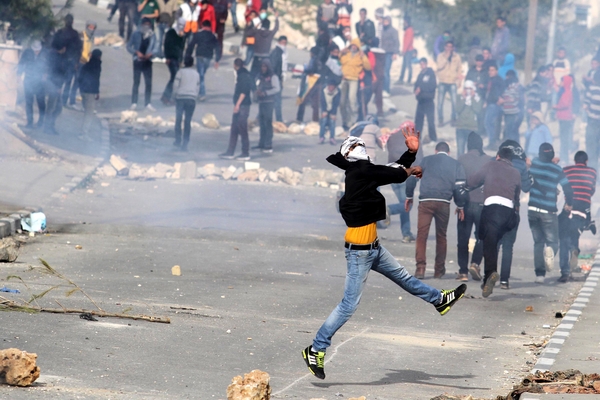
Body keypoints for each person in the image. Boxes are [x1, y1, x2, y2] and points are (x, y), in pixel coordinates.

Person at [302, 131, 467, 381]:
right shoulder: (359, 171)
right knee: (348, 305)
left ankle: (439, 300)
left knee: (404, 277)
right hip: (360, 251)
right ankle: (316, 348)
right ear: (348, 154)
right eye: (357, 146)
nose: (362, 147)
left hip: (372, 247)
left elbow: (389, 170)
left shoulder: (363, 171)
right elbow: (395, 173)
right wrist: (411, 168)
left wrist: (410, 154)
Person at [405, 141, 467, 279]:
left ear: (435, 151)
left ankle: (420, 269)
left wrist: (409, 196)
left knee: (422, 235)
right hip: (444, 203)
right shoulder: (456, 164)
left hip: (426, 201)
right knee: (441, 236)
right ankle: (439, 270)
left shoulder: (426, 160)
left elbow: (411, 179)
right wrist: (460, 205)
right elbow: (460, 189)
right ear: (449, 153)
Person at [466, 146, 521, 297]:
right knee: (504, 245)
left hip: (492, 209)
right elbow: (517, 196)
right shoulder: (516, 172)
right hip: (509, 213)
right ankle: (500, 280)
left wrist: (465, 184)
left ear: (498, 156)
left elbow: (473, 180)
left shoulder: (491, 165)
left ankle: (489, 275)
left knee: (488, 242)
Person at [528, 143, 574, 284]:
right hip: (548, 211)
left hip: (532, 210)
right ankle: (550, 252)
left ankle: (539, 275)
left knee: (538, 243)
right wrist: (569, 203)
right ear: (552, 154)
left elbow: (533, 168)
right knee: (553, 242)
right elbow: (568, 188)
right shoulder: (557, 170)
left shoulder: (534, 164)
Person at [456, 132, 493, 281]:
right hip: (483, 204)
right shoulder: (489, 160)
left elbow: (458, 184)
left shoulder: (461, 159)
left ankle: (463, 272)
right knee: (481, 237)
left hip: (465, 204)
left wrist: (459, 204)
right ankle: (475, 263)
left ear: (468, 144)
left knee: (463, 238)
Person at [497, 140, 533, 289]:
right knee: (508, 246)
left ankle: (489, 276)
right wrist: (528, 168)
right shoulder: (521, 166)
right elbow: (527, 187)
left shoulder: (495, 163)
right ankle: (504, 281)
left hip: (495, 208)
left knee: (494, 243)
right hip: (513, 209)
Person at [559, 151, 597, 281]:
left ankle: (565, 272)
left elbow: (563, 186)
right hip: (583, 210)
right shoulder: (592, 172)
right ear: (586, 162)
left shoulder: (567, 170)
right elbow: (591, 191)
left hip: (569, 207)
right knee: (575, 232)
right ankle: (574, 249)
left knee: (564, 237)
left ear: (575, 161)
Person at [386, 122, 422, 242]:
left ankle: (406, 234)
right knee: (407, 204)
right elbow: (420, 158)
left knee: (404, 204)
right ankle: (389, 209)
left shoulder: (392, 137)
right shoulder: (414, 138)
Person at [220, 58, 255, 160]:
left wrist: (237, 105)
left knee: (242, 128)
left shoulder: (243, 76)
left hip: (243, 106)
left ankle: (245, 152)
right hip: (242, 105)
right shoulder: (245, 74)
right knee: (234, 128)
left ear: (235, 65)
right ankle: (230, 152)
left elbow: (243, 92)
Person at [339, 38, 371, 130]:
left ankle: (353, 121)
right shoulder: (346, 53)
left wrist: (363, 57)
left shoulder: (360, 56)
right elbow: (339, 60)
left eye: (355, 46)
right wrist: (341, 52)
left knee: (352, 100)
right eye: (352, 45)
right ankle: (345, 121)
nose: (353, 47)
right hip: (344, 79)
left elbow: (368, 67)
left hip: (354, 79)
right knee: (342, 102)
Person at [127, 18, 158, 111]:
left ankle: (147, 103)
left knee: (148, 83)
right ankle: (134, 103)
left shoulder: (152, 35)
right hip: (137, 61)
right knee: (136, 82)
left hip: (148, 61)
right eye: (145, 24)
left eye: (148, 25)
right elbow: (128, 46)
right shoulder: (135, 34)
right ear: (141, 25)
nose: (146, 27)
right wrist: (136, 52)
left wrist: (151, 54)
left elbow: (156, 48)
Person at [53, 14, 82, 107]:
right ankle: (64, 101)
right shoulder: (75, 34)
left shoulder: (60, 32)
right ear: (72, 22)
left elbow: (53, 45)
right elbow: (79, 49)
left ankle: (57, 100)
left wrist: (58, 52)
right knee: (68, 82)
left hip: (61, 60)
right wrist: (76, 62)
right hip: (70, 61)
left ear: (64, 21)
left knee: (60, 81)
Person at [185, 20, 219, 101]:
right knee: (202, 74)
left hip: (199, 55)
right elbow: (218, 48)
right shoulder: (212, 36)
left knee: (201, 75)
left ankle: (201, 93)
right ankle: (199, 91)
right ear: (210, 27)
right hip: (208, 57)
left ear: (202, 26)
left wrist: (188, 55)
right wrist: (217, 60)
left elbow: (191, 45)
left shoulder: (198, 34)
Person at [172, 56, 200, 152]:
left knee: (178, 120)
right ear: (192, 64)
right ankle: (185, 143)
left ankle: (178, 140)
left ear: (184, 63)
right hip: (191, 99)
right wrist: (195, 96)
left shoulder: (180, 72)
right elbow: (197, 87)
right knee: (188, 121)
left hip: (181, 98)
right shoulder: (196, 74)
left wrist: (174, 95)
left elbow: (175, 85)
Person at [17, 40, 47, 129]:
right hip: (29, 79)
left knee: (41, 102)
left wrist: (46, 74)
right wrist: (19, 74)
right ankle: (29, 122)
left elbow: (49, 65)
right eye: (35, 50)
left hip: (40, 81)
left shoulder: (45, 53)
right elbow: (21, 63)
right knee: (29, 102)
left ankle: (41, 121)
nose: (36, 52)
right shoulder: (27, 52)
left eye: (38, 50)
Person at [68, 20, 97, 109]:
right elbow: (77, 49)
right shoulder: (81, 36)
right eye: (90, 27)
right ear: (87, 26)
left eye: (93, 27)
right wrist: (77, 61)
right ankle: (72, 102)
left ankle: (84, 104)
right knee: (76, 83)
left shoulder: (91, 37)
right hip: (80, 62)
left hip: (86, 63)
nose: (91, 29)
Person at [254, 59, 281, 153]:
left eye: (265, 66)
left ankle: (268, 144)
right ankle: (261, 143)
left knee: (267, 123)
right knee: (262, 123)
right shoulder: (260, 76)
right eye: (262, 66)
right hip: (261, 102)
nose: (263, 68)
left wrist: (266, 93)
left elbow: (277, 89)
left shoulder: (273, 76)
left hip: (269, 102)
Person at [77, 49, 102, 141]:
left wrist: (81, 88)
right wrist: (97, 91)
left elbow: (79, 78)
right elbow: (96, 80)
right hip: (90, 92)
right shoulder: (97, 66)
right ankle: (84, 134)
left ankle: (83, 132)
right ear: (99, 56)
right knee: (89, 113)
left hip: (83, 91)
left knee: (86, 111)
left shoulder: (86, 65)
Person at [45, 38, 68, 135]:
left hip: (54, 85)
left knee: (57, 107)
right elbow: (57, 74)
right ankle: (48, 127)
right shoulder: (57, 58)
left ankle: (50, 125)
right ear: (63, 48)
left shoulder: (54, 56)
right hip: (54, 85)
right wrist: (58, 87)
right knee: (53, 107)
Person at [436, 41, 462, 126]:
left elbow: (459, 69)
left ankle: (453, 119)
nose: (449, 48)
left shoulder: (457, 57)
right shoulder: (440, 56)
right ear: (445, 47)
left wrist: (459, 81)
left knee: (454, 102)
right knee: (440, 102)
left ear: (453, 48)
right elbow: (439, 66)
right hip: (443, 81)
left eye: (451, 47)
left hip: (452, 82)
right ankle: (440, 120)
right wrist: (446, 58)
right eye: (447, 46)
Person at [161, 18, 186, 104]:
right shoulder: (171, 32)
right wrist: (167, 57)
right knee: (174, 77)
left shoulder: (182, 34)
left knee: (175, 78)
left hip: (177, 58)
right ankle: (166, 96)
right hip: (171, 58)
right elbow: (166, 45)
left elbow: (181, 48)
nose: (181, 26)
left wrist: (181, 60)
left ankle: (168, 97)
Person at [296, 46, 324, 123]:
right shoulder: (320, 60)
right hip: (317, 83)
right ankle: (315, 120)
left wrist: (305, 69)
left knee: (303, 100)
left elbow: (311, 70)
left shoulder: (314, 60)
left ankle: (299, 118)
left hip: (311, 83)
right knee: (315, 104)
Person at [455, 81, 482, 156]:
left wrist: (472, 98)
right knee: (460, 151)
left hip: (472, 128)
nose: (468, 90)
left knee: (471, 151)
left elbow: (478, 110)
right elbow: (457, 110)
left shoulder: (477, 98)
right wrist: (463, 99)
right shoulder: (459, 97)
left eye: (470, 88)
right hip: (460, 127)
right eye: (466, 88)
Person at [413, 57, 437, 143]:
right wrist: (416, 91)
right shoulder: (420, 75)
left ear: (426, 64)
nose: (422, 66)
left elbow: (432, 86)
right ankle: (417, 138)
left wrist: (421, 88)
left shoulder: (431, 74)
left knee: (430, 121)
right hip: (421, 101)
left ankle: (433, 138)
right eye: (421, 64)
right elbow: (416, 85)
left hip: (428, 101)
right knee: (418, 121)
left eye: (423, 64)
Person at [554, 75, 575, 163]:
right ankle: (563, 156)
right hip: (562, 117)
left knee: (564, 139)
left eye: (562, 81)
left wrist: (556, 106)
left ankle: (564, 158)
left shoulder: (567, 92)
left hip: (565, 118)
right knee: (563, 138)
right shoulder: (564, 91)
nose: (561, 83)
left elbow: (565, 104)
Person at [483, 64, 504, 149]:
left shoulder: (498, 80)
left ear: (496, 71)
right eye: (489, 70)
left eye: (492, 70)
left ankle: (492, 142)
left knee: (489, 123)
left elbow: (501, 90)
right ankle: (492, 141)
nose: (490, 72)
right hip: (490, 103)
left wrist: (500, 98)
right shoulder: (490, 79)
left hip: (494, 104)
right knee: (489, 123)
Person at [466, 54, 487, 136]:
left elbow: (489, 83)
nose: (479, 62)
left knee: (481, 115)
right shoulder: (471, 71)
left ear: (483, 62)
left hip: (482, 95)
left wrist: (483, 85)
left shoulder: (486, 71)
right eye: (478, 61)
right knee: (471, 114)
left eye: (480, 61)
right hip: (472, 95)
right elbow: (467, 82)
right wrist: (472, 85)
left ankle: (480, 132)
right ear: (475, 61)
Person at [583, 69, 600, 171]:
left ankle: (592, 174)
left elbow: (585, 105)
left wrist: (590, 112)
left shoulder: (592, 89)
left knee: (591, 149)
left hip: (592, 122)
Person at [501, 70, 523, 142]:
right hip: (509, 112)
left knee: (511, 132)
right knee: (513, 132)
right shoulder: (510, 87)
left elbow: (512, 99)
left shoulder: (514, 87)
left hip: (513, 113)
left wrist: (503, 101)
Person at [270, 36, 287, 122]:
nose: (284, 45)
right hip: (275, 79)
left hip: (278, 78)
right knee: (276, 100)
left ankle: (260, 118)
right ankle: (279, 119)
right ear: (279, 42)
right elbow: (273, 67)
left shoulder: (281, 52)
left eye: (285, 43)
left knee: (272, 100)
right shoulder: (276, 53)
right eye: (283, 43)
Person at [380, 16, 399, 96]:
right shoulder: (383, 30)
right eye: (384, 21)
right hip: (382, 53)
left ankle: (387, 90)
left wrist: (395, 53)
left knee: (386, 71)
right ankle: (382, 88)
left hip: (389, 53)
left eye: (387, 21)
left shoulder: (393, 31)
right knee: (382, 71)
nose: (385, 23)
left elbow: (396, 42)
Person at [319, 79, 341, 145]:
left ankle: (332, 138)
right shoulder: (323, 90)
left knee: (332, 121)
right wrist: (324, 111)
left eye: (332, 87)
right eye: (330, 86)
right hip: (325, 108)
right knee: (323, 120)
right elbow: (322, 101)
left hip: (332, 108)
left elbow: (336, 103)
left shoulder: (337, 92)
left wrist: (333, 113)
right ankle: (321, 137)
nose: (331, 88)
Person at [397, 16, 414, 85]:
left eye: (404, 22)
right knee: (404, 65)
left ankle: (409, 80)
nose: (403, 23)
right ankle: (401, 79)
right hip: (407, 50)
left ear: (406, 22)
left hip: (408, 50)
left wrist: (404, 51)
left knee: (408, 65)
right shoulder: (407, 30)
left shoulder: (409, 30)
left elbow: (408, 41)